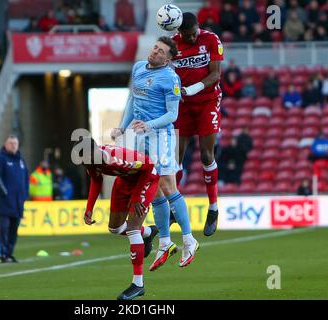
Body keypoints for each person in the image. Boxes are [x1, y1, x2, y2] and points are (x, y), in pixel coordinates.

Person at [111, 36, 199, 272]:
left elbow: (172, 115)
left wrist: (149, 125)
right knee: (155, 188)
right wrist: (122, 126)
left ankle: (189, 240)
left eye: (161, 51)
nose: (155, 52)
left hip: (161, 137)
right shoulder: (138, 67)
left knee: (169, 186)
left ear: (169, 58)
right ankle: (165, 242)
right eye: (155, 48)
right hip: (140, 137)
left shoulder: (171, 79)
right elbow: (132, 99)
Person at [74, 135, 159, 300]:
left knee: (133, 230)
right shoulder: (90, 160)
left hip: (145, 180)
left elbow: (148, 167)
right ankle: (148, 232)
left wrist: (136, 198)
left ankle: (138, 284)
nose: (84, 162)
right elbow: (96, 180)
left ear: (93, 152)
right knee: (115, 228)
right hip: (124, 182)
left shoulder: (115, 159)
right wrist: (89, 208)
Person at [171, 12, 223, 236]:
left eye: (193, 34)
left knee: (206, 155)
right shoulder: (172, 45)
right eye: (186, 35)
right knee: (175, 159)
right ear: (179, 32)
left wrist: (191, 89)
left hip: (207, 101)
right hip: (182, 104)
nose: (191, 39)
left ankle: (213, 207)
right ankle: (175, 205)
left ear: (198, 28)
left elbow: (215, 75)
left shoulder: (211, 39)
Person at [0, 135, 29, 263]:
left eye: (15, 143)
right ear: (5, 144)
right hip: (5, 202)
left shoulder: (21, 161)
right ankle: (1, 254)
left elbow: (26, 179)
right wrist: (5, 192)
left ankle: (9, 253)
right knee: (4, 228)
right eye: (11, 143)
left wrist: (24, 195)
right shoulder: (0, 160)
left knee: (14, 229)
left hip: (18, 203)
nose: (13, 146)